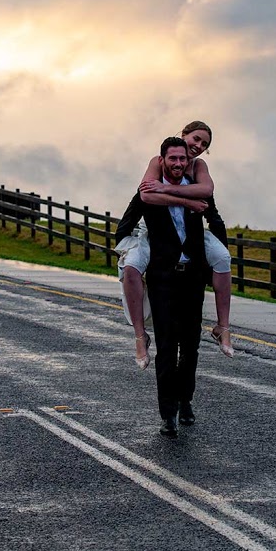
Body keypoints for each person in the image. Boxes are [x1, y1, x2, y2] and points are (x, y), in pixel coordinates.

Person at [114, 121, 233, 370]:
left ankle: (223, 327)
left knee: (223, 258)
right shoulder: (159, 161)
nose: (198, 146)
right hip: (154, 231)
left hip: (190, 232)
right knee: (131, 267)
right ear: (184, 135)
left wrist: (166, 189)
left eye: (205, 144)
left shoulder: (199, 166)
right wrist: (188, 202)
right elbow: (146, 195)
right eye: (196, 139)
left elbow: (207, 189)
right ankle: (139, 335)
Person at [138, 137, 210, 437]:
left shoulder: (195, 182)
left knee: (190, 345)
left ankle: (185, 400)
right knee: (167, 346)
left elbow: (208, 198)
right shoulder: (151, 187)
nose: (178, 163)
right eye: (173, 159)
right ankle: (167, 413)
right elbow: (143, 199)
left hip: (192, 276)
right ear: (162, 160)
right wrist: (184, 199)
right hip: (163, 277)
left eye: (182, 159)